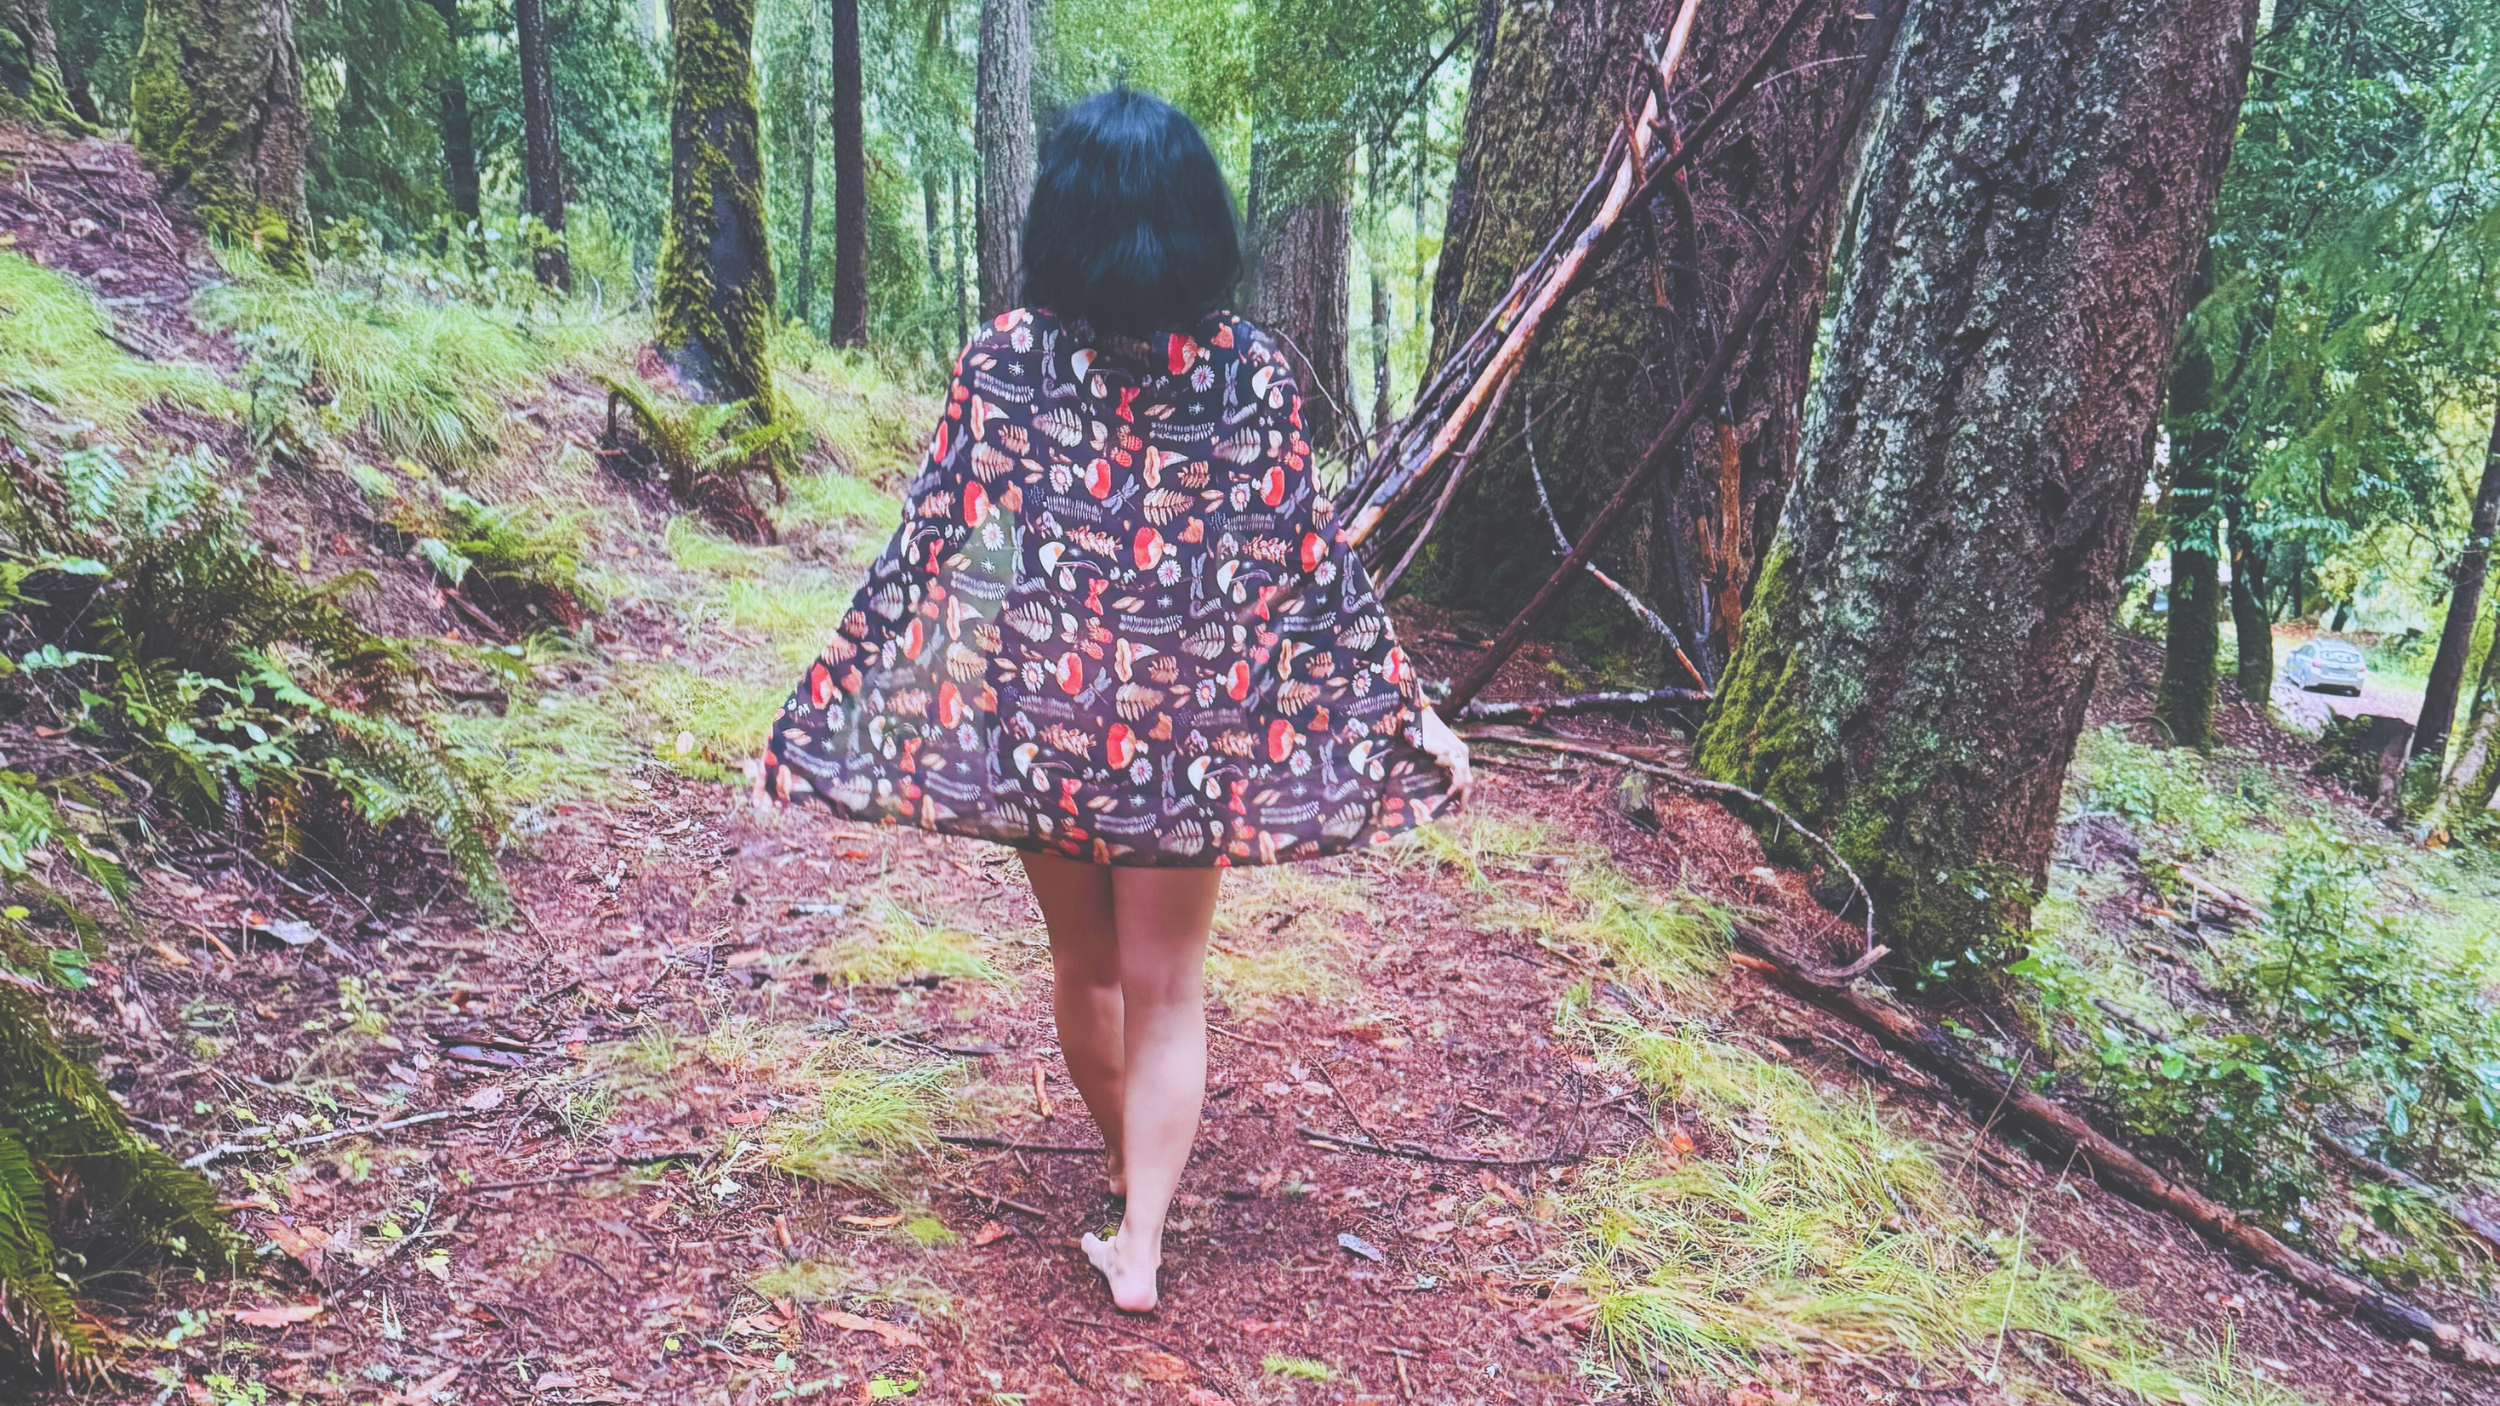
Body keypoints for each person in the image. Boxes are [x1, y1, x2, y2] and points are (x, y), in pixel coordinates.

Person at [755, 87, 1469, 1314]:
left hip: (1047, 730)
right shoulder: (1251, 374)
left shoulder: (1004, 359)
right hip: (1187, 739)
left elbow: (930, 555)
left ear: (1063, 223)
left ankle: (1124, 1168)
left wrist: (819, 718)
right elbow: (1311, 561)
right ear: (1198, 223)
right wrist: (1408, 710)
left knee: (1086, 968)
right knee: (1169, 983)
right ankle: (1140, 1241)